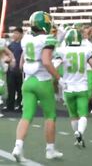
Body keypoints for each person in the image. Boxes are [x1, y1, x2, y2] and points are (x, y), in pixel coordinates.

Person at [12, 11, 63, 162]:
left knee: (26, 116)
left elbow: (22, 63)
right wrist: (59, 78)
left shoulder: (26, 39)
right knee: (50, 116)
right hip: (43, 81)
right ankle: (50, 149)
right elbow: (46, 61)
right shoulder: (47, 39)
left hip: (28, 82)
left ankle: (18, 147)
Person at [56, 29, 92, 148]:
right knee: (83, 114)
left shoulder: (62, 50)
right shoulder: (86, 49)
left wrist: (58, 79)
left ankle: (76, 137)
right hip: (82, 86)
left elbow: (54, 66)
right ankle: (80, 132)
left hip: (68, 87)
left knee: (73, 115)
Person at [6, 27, 23, 112]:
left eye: (16, 33)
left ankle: (20, 105)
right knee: (10, 89)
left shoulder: (23, 45)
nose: (14, 35)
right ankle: (10, 106)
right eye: (14, 33)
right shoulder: (11, 45)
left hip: (20, 71)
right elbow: (6, 56)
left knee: (20, 89)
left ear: (21, 34)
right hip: (11, 70)